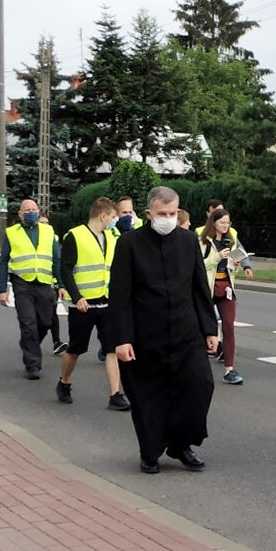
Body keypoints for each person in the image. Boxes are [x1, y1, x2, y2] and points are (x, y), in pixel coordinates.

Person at [111, 186, 219, 474]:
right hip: (146, 335)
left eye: (173, 213)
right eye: (162, 214)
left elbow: (199, 287)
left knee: (199, 386)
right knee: (149, 397)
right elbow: (120, 294)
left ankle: (181, 444)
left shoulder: (187, 241)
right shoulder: (129, 244)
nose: (168, 218)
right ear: (149, 214)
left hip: (186, 331)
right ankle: (150, 452)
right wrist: (121, 339)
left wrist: (210, 329)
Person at [56, 196, 131, 412]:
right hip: (83, 305)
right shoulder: (75, 236)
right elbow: (66, 269)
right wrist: (77, 296)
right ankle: (64, 382)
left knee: (111, 349)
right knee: (76, 349)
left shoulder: (111, 237)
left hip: (107, 302)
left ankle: (115, 394)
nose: (115, 220)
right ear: (103, 215)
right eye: (114, 216)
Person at [0, 198, 62, 380]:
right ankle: (32, 364)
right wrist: (2, 289)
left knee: (45, 322)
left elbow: (56, 259)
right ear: (20, 214)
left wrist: (62, 284)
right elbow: (3, 262)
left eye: (34, 209)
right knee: (28, 324)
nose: (31, 213)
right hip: (22, 283)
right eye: (27, 210)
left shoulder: (48, 231)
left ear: (39, 211)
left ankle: (28, 343)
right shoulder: (11, 233)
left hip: (44, 283)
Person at [200, 208, 254, 384]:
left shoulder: (231, 240)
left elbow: (233, 264)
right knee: (204, 328)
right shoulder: (203, 241)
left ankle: (229, 369)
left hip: (226, 288)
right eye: (222, 222)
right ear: (213, 223)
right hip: (208, 289)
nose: (225, 226)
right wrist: (217, 257)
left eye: (228, 223)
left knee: (229, 326)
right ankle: (197, 367)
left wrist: (237, 264)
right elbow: (199, 265)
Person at [39, 212, 68, 356]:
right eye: (41, 223)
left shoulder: (53, 237)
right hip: (38, 284)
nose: (44, 226)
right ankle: (33, 340)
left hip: (52, 283)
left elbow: (58, 261)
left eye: (46, 223)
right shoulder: (33, 238)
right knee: (41, 317)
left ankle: (56, 342)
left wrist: (61, 283)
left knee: (52, 312)